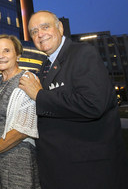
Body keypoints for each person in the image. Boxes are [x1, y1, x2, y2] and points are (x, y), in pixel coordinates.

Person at [19, 10, 128, 189]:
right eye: (33, 31)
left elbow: (93, 104)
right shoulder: (46, 65)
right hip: (59, 170)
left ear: (60, 28)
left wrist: (39, 96)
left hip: (87, 172)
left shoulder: (83, 54)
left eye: (45, 27)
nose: (40, 34)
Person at [0, 34, 40, 188]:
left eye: (6, 51)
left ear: (17, 55)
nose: (1, 56)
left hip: (16, 160)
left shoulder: (28, 80)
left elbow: (22, 131)